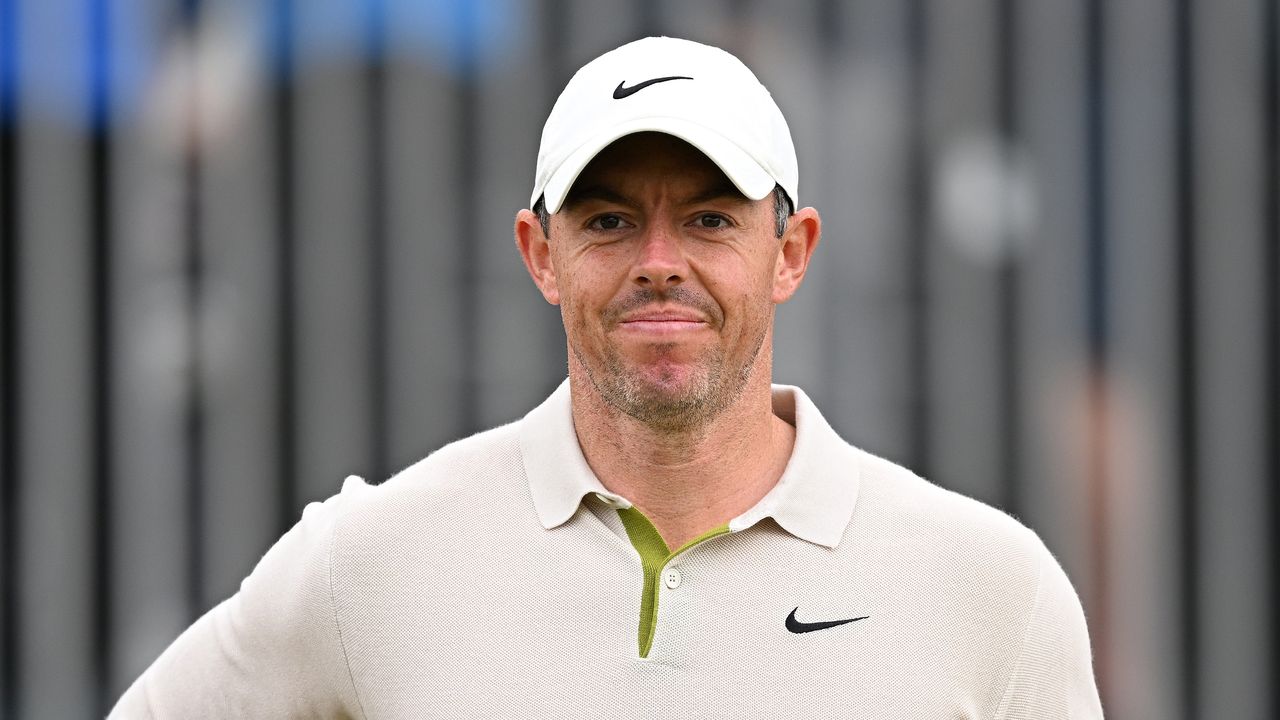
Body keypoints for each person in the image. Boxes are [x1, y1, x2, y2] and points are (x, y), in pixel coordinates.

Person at [111, 36, 1104, 718]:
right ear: (538, 253)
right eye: (608, 220)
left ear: (790, 251)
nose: (659, 258)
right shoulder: (369, 559)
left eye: (711, 219)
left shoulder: (989, 588)